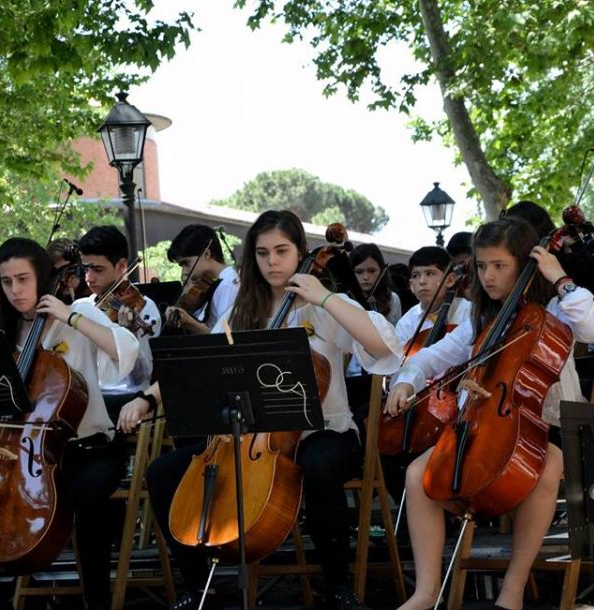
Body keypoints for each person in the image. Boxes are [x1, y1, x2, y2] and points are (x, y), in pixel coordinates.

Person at [141, 210, 403, 610]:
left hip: (324, 432)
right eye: (262, 253)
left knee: (318, 468)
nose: (272, 262)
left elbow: (384, 347)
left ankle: (338, 588)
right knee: (162, 473)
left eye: (282, 251)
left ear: (300, 251)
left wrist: (326, 297)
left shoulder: (323, 307)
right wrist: (148, 397)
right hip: (251, 440)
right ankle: (199, 589)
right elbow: (201, 363)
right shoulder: (244, 309)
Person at [385, 217, 594, 610]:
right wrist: (405, 380)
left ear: (523, 262)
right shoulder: (481, 317)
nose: (487, 275)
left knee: (547, 466)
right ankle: (425, 592)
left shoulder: (557, 308)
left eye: (499, 265)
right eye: (482, 266)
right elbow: (433, 356)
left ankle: (512, 591)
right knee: (418, 475)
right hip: (488, 422)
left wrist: (560, 278)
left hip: (547, 422)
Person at [0, 237, 139, 610]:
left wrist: (68, 316)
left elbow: (126, 350)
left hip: (91, 447)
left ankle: (96, 600)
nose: (15, 290)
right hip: (33, 454)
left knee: (86, 495)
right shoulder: (6, 335)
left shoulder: (77, 312)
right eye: (7, 281)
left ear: (42, 277)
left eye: (23, 279)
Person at [381, 246, 471, 504]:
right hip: (418, 397)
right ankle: (411, 510)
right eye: (416, 276)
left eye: (431, 274)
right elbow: (397, 364)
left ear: (451, 279)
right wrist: (400, 385)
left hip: (456, 397)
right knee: (386, 445)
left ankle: (447, 505)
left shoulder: (467, 312)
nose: (422, 281)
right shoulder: (410, 321)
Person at [79, 226, 160, 421]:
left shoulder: (144, 307)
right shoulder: (80, 307)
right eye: (86, 269)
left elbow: (141, 378)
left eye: (98, 269)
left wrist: (127, 333)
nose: (89, 278)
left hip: (124, 400)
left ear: (122, 265)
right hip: (88, 394)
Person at [164, 224, 239, 334]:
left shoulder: (227, 285)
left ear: (207, 254)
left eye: (186, 263)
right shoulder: (211, 283)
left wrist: (189, 322)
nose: (184, 271)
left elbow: (226, 339)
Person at [349, 243, 401, 325]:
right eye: (359, 272)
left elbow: (395, 333)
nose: (365, 277)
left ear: (381, 271)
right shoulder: (344, 298)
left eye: (372, 271)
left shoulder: (392, 299)